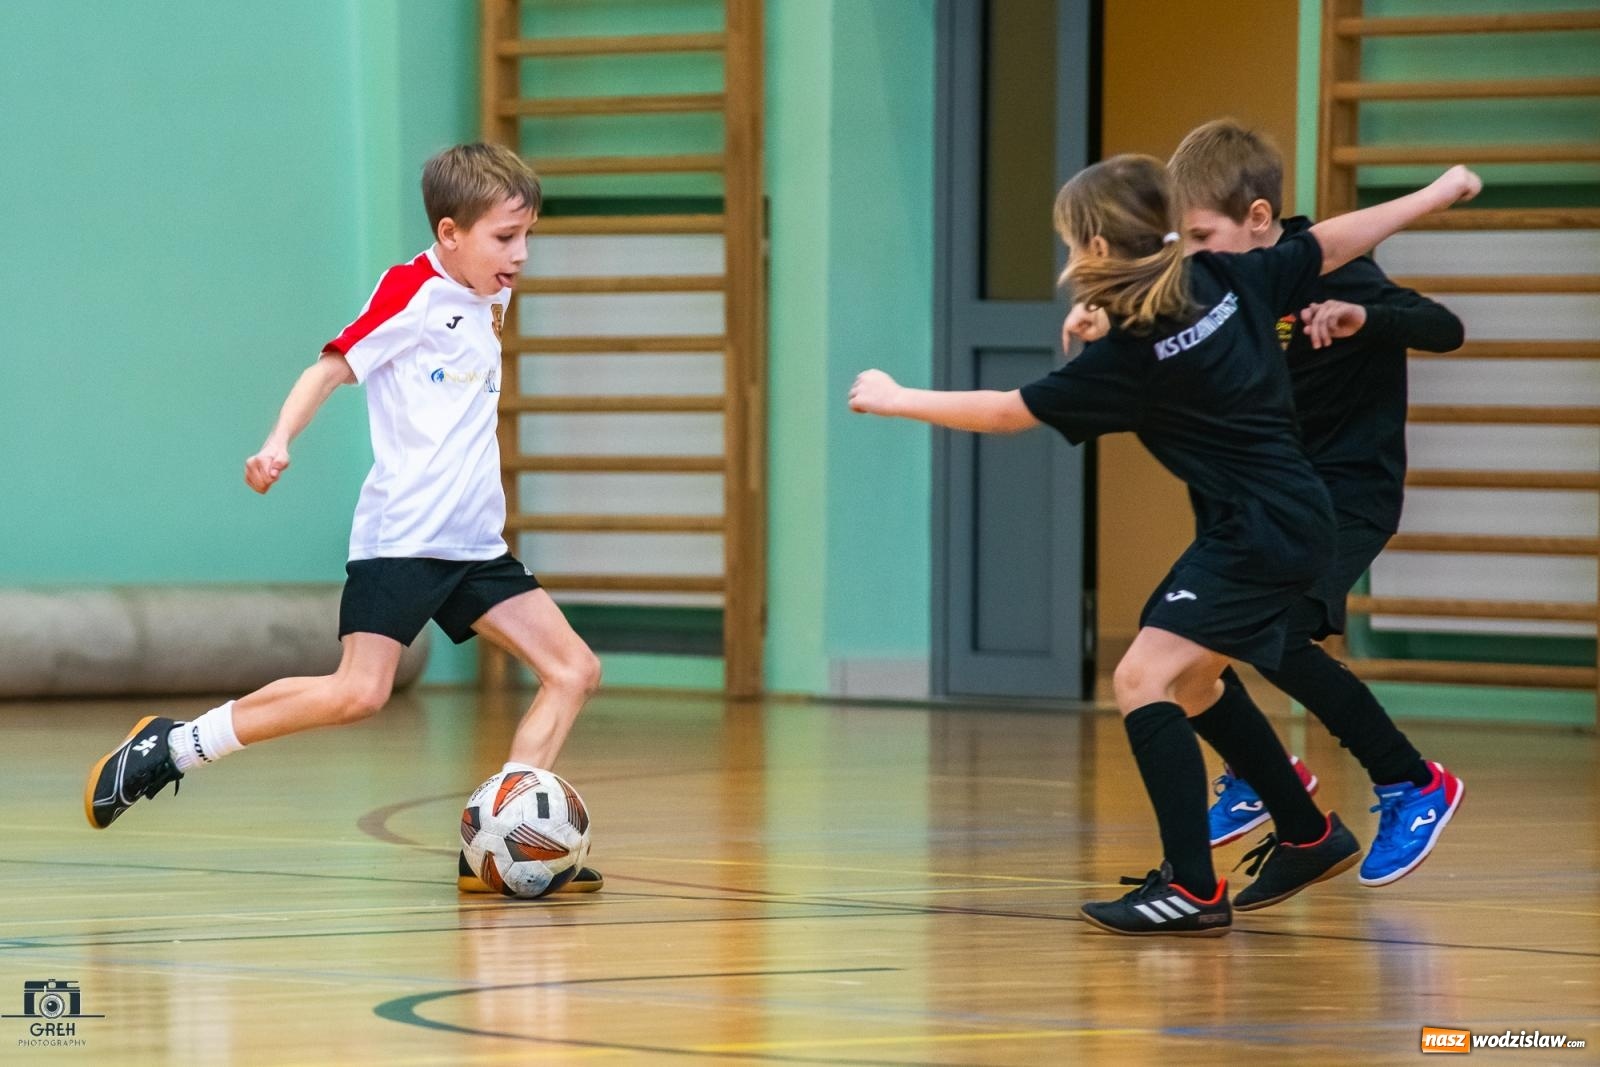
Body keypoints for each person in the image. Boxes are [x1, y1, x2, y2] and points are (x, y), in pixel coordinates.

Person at [849, 154, 1480, 935]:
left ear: (1096, 250)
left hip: (1260, 530)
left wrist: (896, 397)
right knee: (1194, 679)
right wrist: (1436, 193)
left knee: (1143, 676)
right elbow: (1333, 241)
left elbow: (1008, 412)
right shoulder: (1222, 278)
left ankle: (1192, 888)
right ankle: (1304, 829)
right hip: (1278, 516)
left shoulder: (1132, 357)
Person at [84, 143, 604, 894]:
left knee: (572, 670)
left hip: (473, 542)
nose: (520, 254)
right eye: (504, 237)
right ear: (450, 233)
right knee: (358, 693)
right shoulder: (410, 293)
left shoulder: (490, 289)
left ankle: (500, 843)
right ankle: (173, 747)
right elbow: (328, 370)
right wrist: (277, 441)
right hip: (405, 537)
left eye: (527, 236)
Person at [1170, 119, 1465, 886]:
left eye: (1202, 235)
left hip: (1351, 489)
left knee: (1280, 628)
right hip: (1278, 494)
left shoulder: (1335, 269)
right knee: (1183, 630)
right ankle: (1261, 776)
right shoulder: (1223, 285)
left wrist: (1366, 319)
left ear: (1258, 219)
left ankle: (1413, 782)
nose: (1193, 254)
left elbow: (1445, 328)